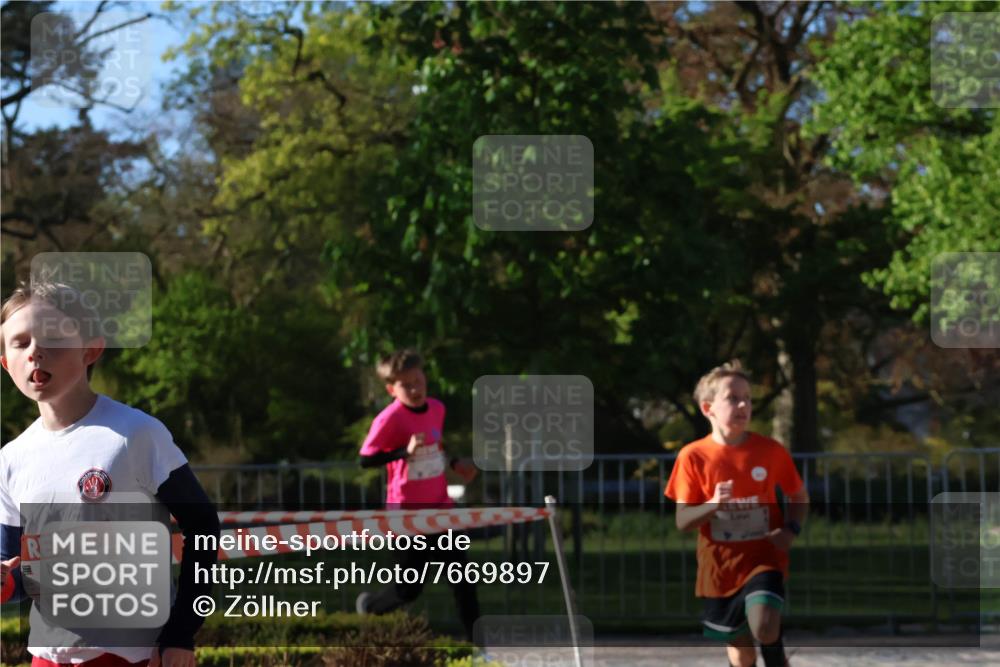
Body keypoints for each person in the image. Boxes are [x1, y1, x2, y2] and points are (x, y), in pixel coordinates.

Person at [0, 282, 221, 667]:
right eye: (20, 343)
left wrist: (181, 633)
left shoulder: (136, 434)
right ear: (5, 362)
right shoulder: (10, 459)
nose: (35, 351)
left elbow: (202, 527)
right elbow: (19, 579)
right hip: (45, 658)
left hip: (133, 656)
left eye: (53, 338)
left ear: (91, 349)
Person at [665, 360, 809, 667]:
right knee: (742, 655)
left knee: (765, 626)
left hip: (764, 557)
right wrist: (713, 504)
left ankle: (775, 654)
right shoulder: (693, 456)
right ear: (708, 408)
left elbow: (799, 495)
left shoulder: (770, 451)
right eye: (732, 398)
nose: (743, 404)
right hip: (719, 568)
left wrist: (791, 529)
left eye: (748, 398)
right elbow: (683, 521)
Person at [354, 349, 481, 642]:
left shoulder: (437, 408)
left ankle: (477, 645)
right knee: (409, 588)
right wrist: (402, 452)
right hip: (406, 514)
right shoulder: (389, 419)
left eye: (418, 380)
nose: (415, 389)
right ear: (391, 389)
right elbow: (365, 460)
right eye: (406, 385)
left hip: (441, 508)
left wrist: (455, 464)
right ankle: (370, 607)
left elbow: (436, 443)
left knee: (464, 579)